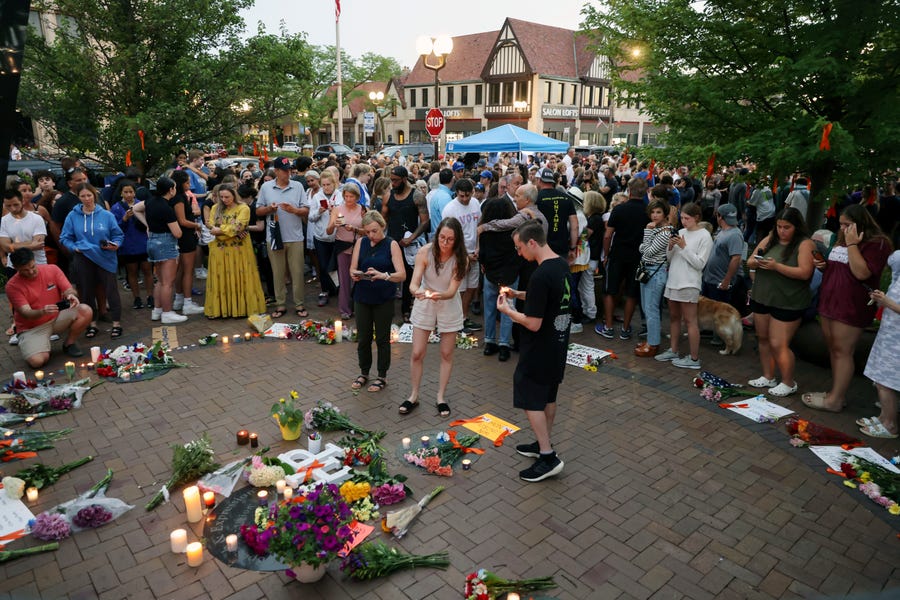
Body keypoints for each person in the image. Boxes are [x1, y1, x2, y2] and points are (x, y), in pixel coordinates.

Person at [497, 220, 571, 482]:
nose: (519, 253)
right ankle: (543, 445)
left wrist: (508, 311)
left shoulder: (540, 274)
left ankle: (548, 456)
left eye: (519, 248)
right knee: (548, 396)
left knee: (530, 396)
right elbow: (546, 298)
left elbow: (533, 322)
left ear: (531, 242)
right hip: (558, 344)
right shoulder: (560, 264)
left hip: (539, 347)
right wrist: (518, 294)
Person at [802, 204, 892, 412]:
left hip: (851, 306)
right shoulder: (841, 238)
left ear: (861, 223)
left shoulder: (877, 244)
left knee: (843, 351)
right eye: (841, 224)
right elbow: (840, 270)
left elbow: (862, 273)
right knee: (834, 349)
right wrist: (826, 266)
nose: (843, 229)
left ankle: (835, 400)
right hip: (830, 301)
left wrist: (852, 245)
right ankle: (836, 393)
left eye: (847, 224)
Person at [399, 217, 466, 417]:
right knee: (417, 352)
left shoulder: (461, 258)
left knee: (446, 353)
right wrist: (416, 291)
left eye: (450, 240)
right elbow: (413, 282)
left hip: (448, 302)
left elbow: (452, 290)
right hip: (425, 301)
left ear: (457, 241)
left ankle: (441, 396)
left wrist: (439, 295)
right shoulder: (425, 252)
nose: (444, 243)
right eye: (442, 238)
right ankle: (414, 395)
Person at [746, 208, 816, 396]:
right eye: (779, 226)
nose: (782, 231)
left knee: (779, 343)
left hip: (788, 301)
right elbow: (750, 260)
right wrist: (756, 263)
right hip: (763, 296)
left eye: (787, 227)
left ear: (796, 227)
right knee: (763, 338)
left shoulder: (804, 244)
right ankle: (768, 376)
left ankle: (788, 381)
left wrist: (776, 267)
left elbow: (804, 273)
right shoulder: (770, 239)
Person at [59, 182, 124, 339]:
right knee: (87, 291)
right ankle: (91, 324)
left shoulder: (106, 215)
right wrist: (74, 247)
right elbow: (64, 237)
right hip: (84, 257)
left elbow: (118, 235)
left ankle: (116, 323)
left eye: (89, 195)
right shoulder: (73, 216)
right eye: (83, 196)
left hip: (105, 256)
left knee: (111, 290)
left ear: (94, 195)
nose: (86, 199)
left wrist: (115, 245)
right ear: (78, 197)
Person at [349, 211, 406, 393]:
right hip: (362, 295)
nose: (371, 236)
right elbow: (353, 268)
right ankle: (364, 372)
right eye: (367, 232)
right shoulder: (361, 242)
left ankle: (382, 375)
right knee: (363, 337)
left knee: (382, 338)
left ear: (382, 226)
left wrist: (383, 275)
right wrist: (355, 275)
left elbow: (402, 275)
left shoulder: (392, 244)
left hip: (383, 297)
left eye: (374, 231)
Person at [6, 248, 93, 366]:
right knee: (37, 362)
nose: (31, 272)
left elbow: (68, 289)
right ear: (16, 269)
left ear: (34, 260)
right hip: (32, 327)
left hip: (56, 317)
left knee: (85, 310)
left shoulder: (52, 269)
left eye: (32, 267)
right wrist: (42, 311)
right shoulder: (12, 286)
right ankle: (37, 345)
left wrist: (71, 295)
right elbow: (26, 313)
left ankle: (69, 343)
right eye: (25, 270)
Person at [654, 202, 713, 368]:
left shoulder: (704, 236)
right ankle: (673, 350)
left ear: (696, 218)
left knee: (690, 321)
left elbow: (700, 264)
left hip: (689, 283)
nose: (684, 221)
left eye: (687, 218)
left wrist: (683, 247)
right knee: (673, 317)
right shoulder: (680, 232)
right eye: (682, 218)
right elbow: (670, 259)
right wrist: (671, 247)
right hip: (673, 280)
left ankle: (694, 358)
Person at [256, 156, 310, 319]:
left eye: (290, 170)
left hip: (295, 237)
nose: (288, 173)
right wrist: (269, 209)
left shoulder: (298, 186)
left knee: (298, 272)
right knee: (277, 273)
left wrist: (294, 210)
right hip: (274, 237)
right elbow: (258, 211)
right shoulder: (266, 187)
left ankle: (299, 304)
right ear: (277, 171)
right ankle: (280, 304)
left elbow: (306, 209)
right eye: (285, 170)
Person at [597, 177, 650, 339]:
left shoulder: (619, 210)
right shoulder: (648, 211)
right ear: (646, 191)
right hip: (638, 256)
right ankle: (626, 329)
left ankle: (609, 327)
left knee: (610, 290)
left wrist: (606, 255)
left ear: (629, 190)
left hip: (618, 254)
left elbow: (607, 235)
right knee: (632, 293)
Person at [858, 250, 900, 438]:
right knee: (879, 377)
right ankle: (884, 417)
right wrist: (881, 299)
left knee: (886, 381)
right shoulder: (897, 280)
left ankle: (890, 424)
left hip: (896, 341)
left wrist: (887, 302)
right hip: (889, 334)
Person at [382, 166, 429, 322]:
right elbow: (383, 220)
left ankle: (406, 309)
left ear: (404, 179)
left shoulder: (417, 196)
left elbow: (425, 222)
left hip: (409, 243)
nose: (392, 183)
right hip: (391, 241)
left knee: (409, 277)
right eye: (391, 180)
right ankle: (386, 307)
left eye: (395, 180)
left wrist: (412, 238)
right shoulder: (389, 195)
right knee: (388, 274)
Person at [478, 192, 520, 362]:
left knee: (489, 308)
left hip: (491, 274)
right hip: (510, 274)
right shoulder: (513, 231)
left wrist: (485, 266)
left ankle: (489, 342)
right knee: (508, 309)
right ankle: (504, 344)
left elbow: (483, 254)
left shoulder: (485, 231)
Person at [140, 177, 186, 324]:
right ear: (170, 190)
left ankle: (157, 310)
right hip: (166, 243)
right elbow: (177, 233)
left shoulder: (150, 201)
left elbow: (135, 209)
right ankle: (167, 312)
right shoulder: (166, 208)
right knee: (168, 282)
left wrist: (148, 225)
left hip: (152, 241)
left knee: (160, 280)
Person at [441, 178, 482, 332]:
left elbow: (478, 227)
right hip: (458, 254)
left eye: (467, 196)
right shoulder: (450, 209)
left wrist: (478, 247)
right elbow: (449, 236)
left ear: (472, 192)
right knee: (460, 289)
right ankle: (456, 320)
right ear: (456, 193)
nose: (465, 199)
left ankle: (463, 317)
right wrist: (464, 254)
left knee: (472, 286)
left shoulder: (476, 204)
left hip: (474, 252)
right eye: (461, 196)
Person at [634, 199, 673, 357]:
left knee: (651, 310)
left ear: (665, 214)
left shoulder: (665, 231)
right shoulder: (657, 229)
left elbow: (647, 251)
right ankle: (651, 340)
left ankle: (653, 344)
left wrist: (648, 231)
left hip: (655, 273)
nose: (655, 215)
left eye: (658, 212)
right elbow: (642, 248)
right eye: (652, 212)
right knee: (646, 307)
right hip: (648, 271)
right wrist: (647, 239)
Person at [109, 179, 154, 310]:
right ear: (121, 193)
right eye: (125, 192)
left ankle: (150, 296)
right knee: (132, 272)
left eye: (131, 192)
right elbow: (114, 228)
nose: (128, 195)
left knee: (147, 270)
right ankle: (137, 298)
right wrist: (124, 219)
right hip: (128, 245)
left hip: (144, 242)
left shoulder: (142, 204)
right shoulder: (116, 208)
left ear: (135, 193)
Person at [326, 183, 366, 319]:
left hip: (358, 247)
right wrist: (334, 224)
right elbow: (328, 230)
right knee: (343, 279)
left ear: (357, 197)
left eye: (351, 196)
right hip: (342, 247)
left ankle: (358, 307)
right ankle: (344, 309)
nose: (348, 199)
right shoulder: (337, 209)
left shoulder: (363, 209)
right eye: (346, 196)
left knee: (357, 278)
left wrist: (354, 229)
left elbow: (367, 231)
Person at [169, 170, 204, 316]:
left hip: (184, 236)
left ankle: (179, 299)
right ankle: (187, 302)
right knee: (187, 270)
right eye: (187, 182)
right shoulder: (179, 199)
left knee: (182, 270)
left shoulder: (180, 197)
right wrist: (197, 226)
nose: (190, 185)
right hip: (186, 236)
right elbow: (182, 220)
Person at [309, 171, 340, 307]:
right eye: (323, 185)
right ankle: (325, 291)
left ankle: (338, 288)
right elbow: (311, 217)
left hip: (337, 237)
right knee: (323, 265)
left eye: (328, 184)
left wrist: (335, 213)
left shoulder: (340, 196)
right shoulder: (317, 197)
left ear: (334, 184)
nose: (326, 187)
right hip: (321, 237)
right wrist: (319, 211)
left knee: (336, 265)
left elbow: (344, 216)